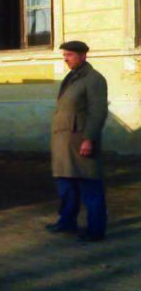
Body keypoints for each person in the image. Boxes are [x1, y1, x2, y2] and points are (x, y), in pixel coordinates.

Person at [46, 41, 108, 242]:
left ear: (83, 56)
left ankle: (95, 229)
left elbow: (97, 112)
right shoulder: (73, 78)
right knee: (66, 185)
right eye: (64, 54)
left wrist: (89, 139)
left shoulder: (94, 79)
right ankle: (66, 221)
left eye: (70, 54)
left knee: (90, 186)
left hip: (80, 141)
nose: (65, 58)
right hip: (64, 143)